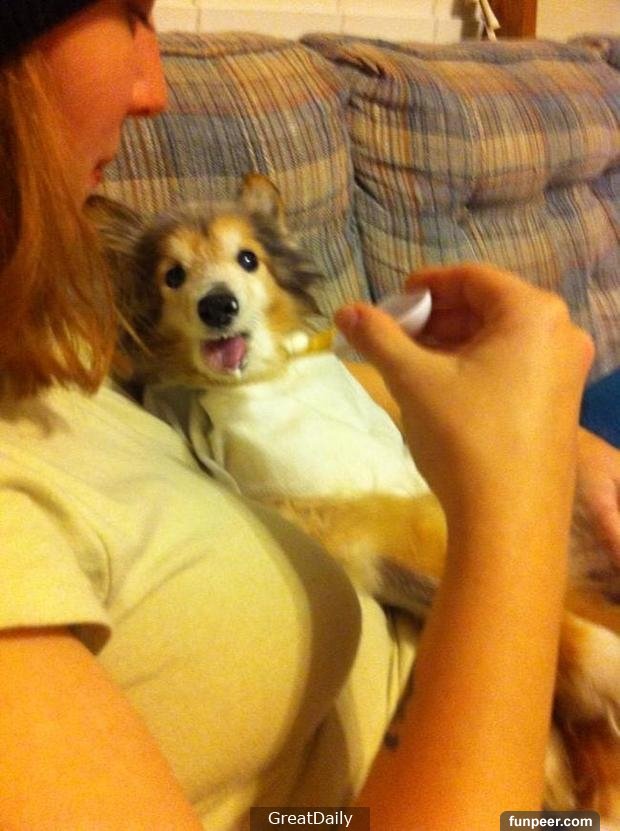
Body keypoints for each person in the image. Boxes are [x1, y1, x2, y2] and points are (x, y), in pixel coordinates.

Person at [0, 1, 611, 829]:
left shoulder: (48, 299)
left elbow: (286, 375)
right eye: (128, 10)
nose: (155, 87)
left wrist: (557, 432)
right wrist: (518, 503)